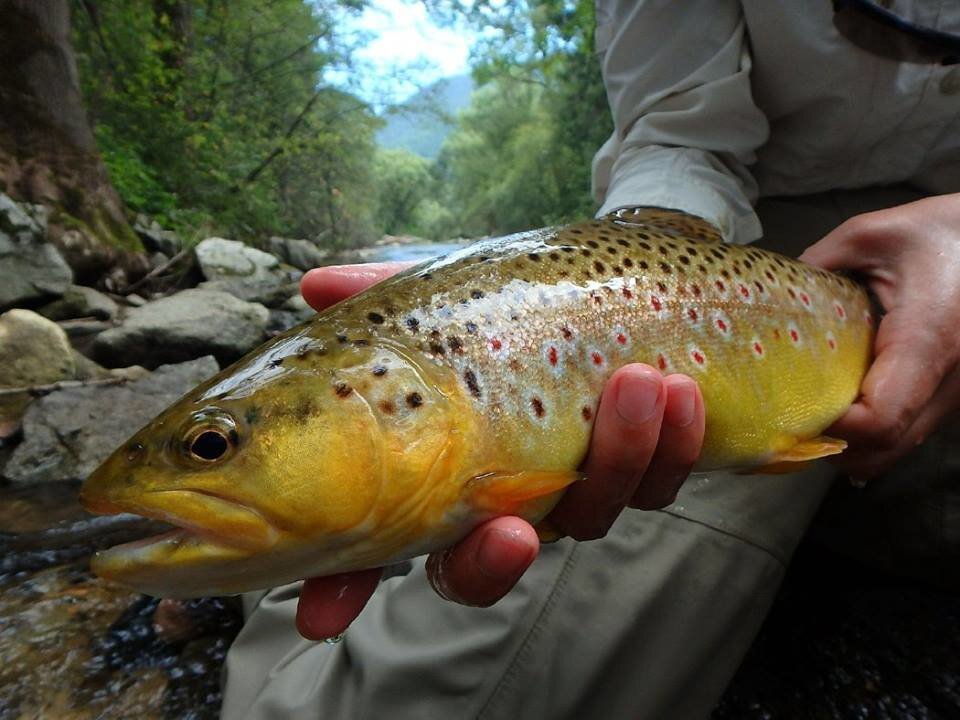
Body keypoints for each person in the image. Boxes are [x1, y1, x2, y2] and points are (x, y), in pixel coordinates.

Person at [221, 2, 960, 717]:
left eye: (212, 445)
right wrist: (610, 285)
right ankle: (279, 559)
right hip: (757, 239)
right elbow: (680, 140)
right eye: (212, 444)